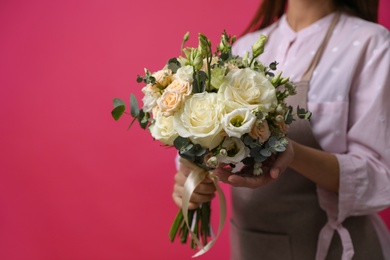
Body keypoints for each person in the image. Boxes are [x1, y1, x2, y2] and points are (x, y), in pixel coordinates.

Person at [172, 0, 390, 259]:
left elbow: (379, 179)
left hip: (331, 249)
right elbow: (210, 150)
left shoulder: (370, 43)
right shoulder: (244, 48)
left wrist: (290, 151)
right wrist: (194, 178)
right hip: (251, 246)